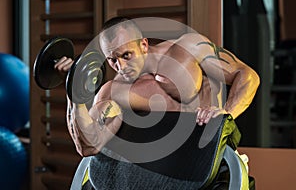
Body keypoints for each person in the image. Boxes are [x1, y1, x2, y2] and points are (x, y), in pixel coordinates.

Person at [55, 16, 260, 189]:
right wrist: (75, 93)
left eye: (127, 55)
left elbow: (248, 76)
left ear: (143, 44)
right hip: (163, 178)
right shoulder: (114, 92)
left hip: (211, 165)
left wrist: (225, 114)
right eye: (112, 60)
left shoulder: (188, 48)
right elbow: (88, 146)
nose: (121, 66)